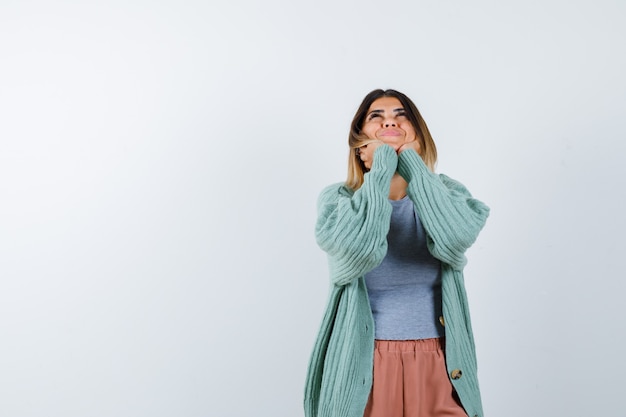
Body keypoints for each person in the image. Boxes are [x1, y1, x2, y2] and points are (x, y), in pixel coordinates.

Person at [303, 89, 490, 417]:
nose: (390, 120)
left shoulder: (450, 193)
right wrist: (379, 175)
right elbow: (358, 250)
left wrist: (415, 170)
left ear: (419, 137)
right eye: (377, 117)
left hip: (441, 359)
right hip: (366, 361)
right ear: (361, 147)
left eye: (401, 115)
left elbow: (455, 238)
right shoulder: (339, 200)